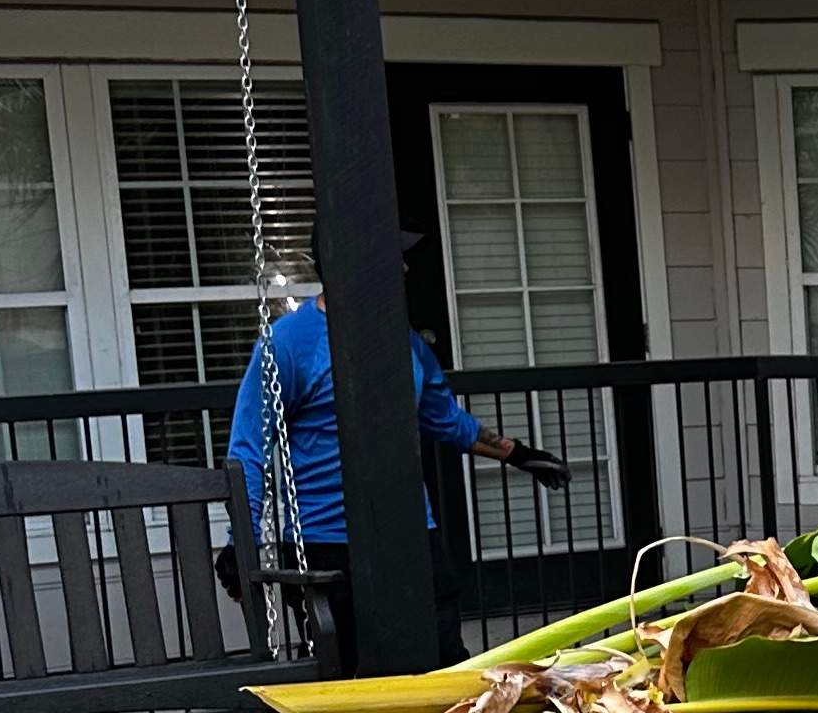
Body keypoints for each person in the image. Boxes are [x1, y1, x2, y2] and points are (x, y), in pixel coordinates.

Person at [226, 260, 565, 672]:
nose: (402, 267)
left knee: (446, 664)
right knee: (352, 674)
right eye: (392, 258)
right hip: (327, 540)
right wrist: (238, 543)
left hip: (411, 530)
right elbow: (250, 450)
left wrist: (519, 454)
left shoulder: (405, 345)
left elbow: (446, 420)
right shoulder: (287, 343)